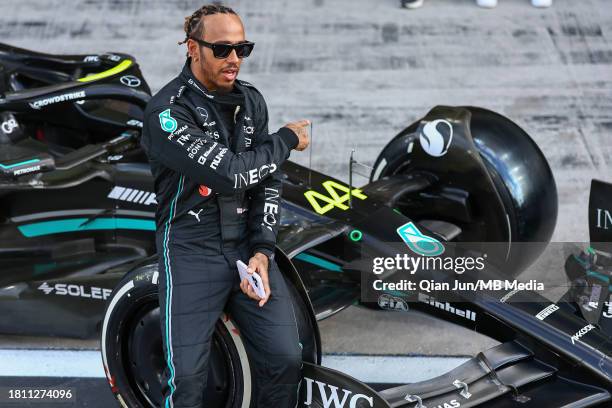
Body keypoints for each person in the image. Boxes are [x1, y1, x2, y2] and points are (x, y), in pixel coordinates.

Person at [140, 4, 310, 408]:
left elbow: (267, 179)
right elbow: (231, 175)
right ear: (192, 49)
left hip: (244, 253)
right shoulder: (167, 113)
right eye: (222, 49)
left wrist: (263, 251)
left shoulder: (252, 101)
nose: (234, 59)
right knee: (187, 380)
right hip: (189, 251)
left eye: (242, 48)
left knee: (286, 359)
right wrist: (284, 140)